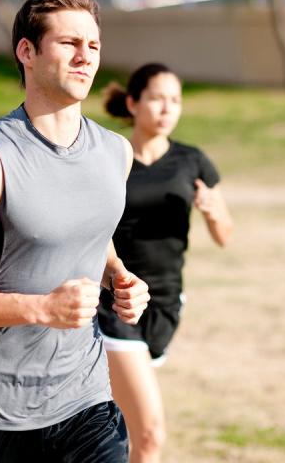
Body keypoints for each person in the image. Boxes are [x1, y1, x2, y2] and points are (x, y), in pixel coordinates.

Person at [0, 0, 150, 463]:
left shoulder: (116, 153)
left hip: (86, 402)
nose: (86, 57)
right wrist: (41, 308)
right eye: (69, 43)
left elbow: (89, 232)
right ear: (27, 51)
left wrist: (118, 276)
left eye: (94, 46)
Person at [98, 63, 233, 463]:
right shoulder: (110, 156)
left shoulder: (193, 161)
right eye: (157, 98)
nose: (167, 109)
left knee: (119, 423)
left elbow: (225, 234)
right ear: (133, 103)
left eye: (175, 100)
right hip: (116, 299)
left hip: (167, 304)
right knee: (150, 434)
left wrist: (211, 212)